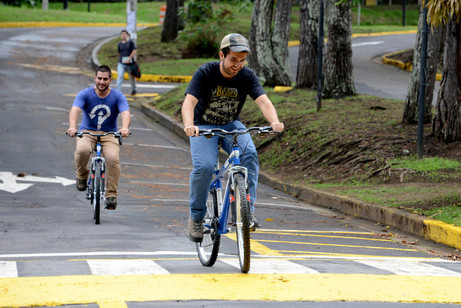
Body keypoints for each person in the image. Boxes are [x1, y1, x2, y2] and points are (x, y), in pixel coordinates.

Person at [181, 33, 285, 242]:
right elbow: (189, 103)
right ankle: (197, 218)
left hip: (230, 124)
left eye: (242, 60)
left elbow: (263, 101)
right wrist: (189, 125)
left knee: (250, 154)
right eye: (233, 59)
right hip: (203, 126)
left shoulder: (246, 75)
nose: (238, 65)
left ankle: (246, 211)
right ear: (222, 55)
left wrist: (274, 121)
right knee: (204, 168)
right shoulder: (206, 72)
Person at [67, 65, 131, 210]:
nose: (102, 82)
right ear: (95, 78)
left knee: (113, 158)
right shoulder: (85, 94)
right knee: (82, 150)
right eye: (99, 78)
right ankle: (82, 175)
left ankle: (111, 195)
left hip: (110, 133)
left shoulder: (117, 96)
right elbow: (75, 110)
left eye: (105, 79)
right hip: (87, 132)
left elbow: (125, 112)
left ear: (110, 80)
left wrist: (125, 128)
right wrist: (72, 127)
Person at [116, 29, 137, 96]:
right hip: (121, 63)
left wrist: (129, 58)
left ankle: (134, 89)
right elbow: (119, 52)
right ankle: (118, 92)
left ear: (127, 35)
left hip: (130, 63)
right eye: (122, 34)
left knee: (131, 77)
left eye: (124, 34)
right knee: (120, 76)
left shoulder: (130, 42)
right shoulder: (119, 44)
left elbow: (134, 51)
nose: (123, 35)